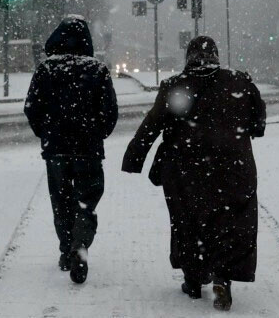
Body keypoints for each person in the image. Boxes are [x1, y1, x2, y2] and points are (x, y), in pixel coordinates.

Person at [121, 36, 266, 312]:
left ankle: (194, 278)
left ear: (188, 58)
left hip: (186, 170)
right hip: (234, 170)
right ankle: (223, 276)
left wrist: (134, 159)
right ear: (216, 56)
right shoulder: (239, 82)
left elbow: (151, 125)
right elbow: (258, 123)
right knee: (232, 221)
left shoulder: (175, 86)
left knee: (187, 221)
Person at [24, 16, 119, 284]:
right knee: (86, 202)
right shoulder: (98, 70)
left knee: (61, 202)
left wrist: (46, 135)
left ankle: (67, 250)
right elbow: (110, 112)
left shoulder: (46, 70)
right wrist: (96, 134)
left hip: (56, 150)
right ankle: (81, 244)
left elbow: (32, 108)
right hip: (87, 150)